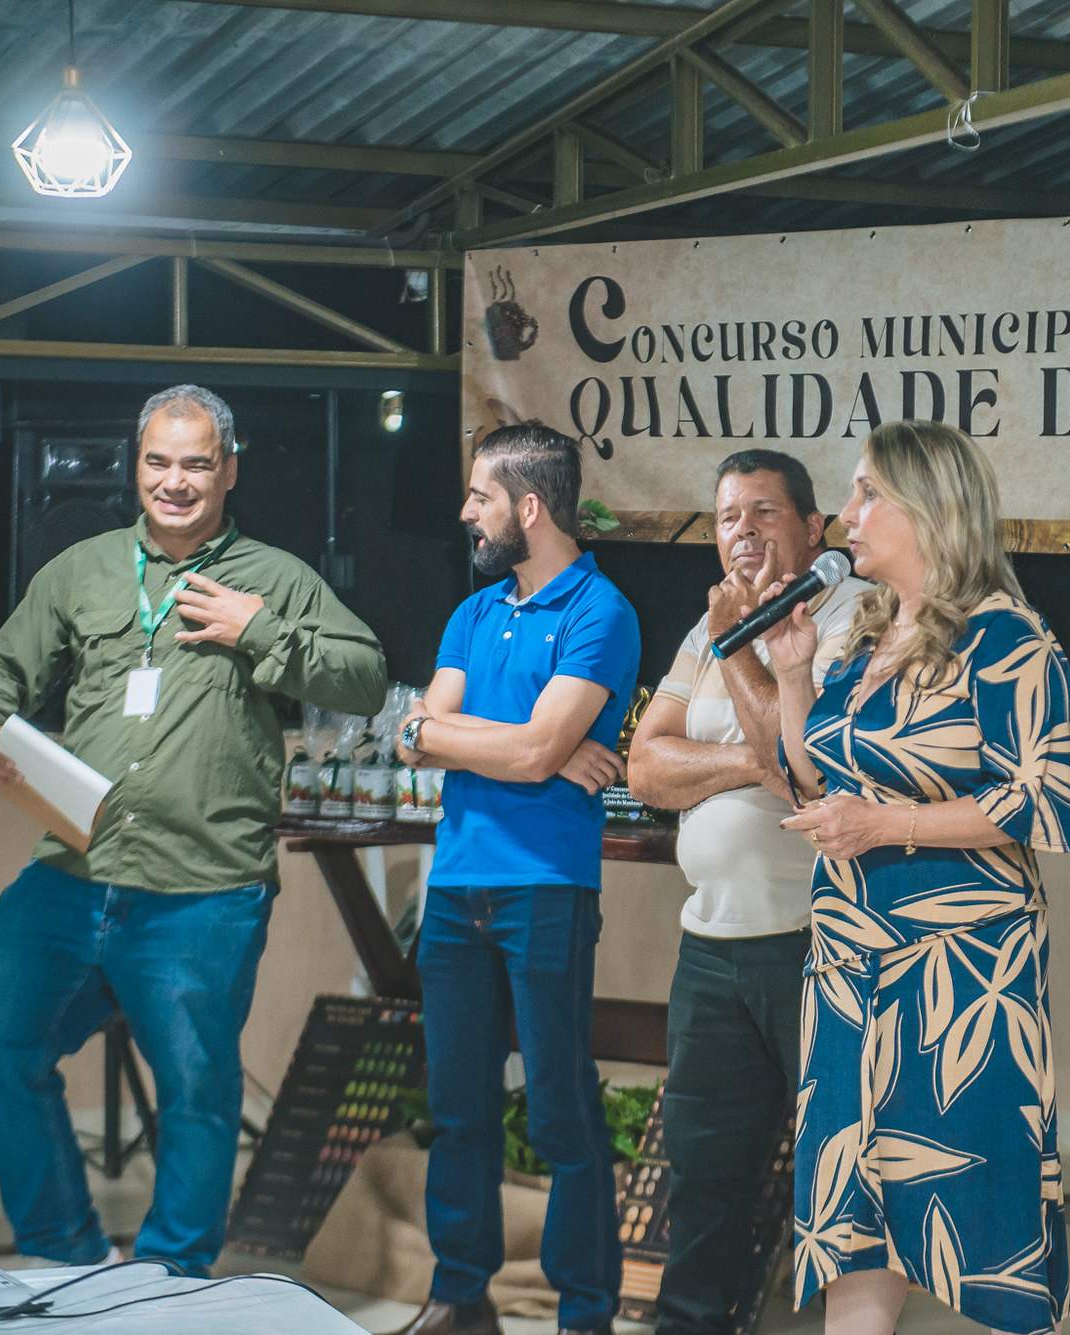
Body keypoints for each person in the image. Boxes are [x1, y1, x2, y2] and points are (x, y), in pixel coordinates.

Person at [0, 384, 387, 1277]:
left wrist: (261, 630)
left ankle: (170, 1282)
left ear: (229, 470)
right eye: (158, 462)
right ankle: (66, 1255)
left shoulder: (274, 576)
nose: (174, 481)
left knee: (195, 1088)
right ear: (137, 466)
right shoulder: (83, 569)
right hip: (77, 868)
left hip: (204, 889)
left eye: (195, 463)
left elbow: (365, 677)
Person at [765, 420, 1070, 1335]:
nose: (846, 515)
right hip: (848, 968)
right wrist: (792, 677)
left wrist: (885, 824)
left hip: (960, 974)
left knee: (980, 1207)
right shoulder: (865, 634)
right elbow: (817, 778)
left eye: (867, 493)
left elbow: (1034, 799)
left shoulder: (1008, 639)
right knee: (853, 1219)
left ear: (930, 506)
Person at [387, 422, 641, 1335]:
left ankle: (585, 1313)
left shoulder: (600, 611)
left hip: (546, 888)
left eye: (479, 496)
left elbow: (494, 743)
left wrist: (520, 746)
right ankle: (461, 1297)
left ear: (529, 507)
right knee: (458, 1109)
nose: (466, 512)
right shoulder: (473, 612)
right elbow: (414, 736)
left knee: (561, 1111)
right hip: (456, 887)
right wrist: (540, 746)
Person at [627, 449, 869, 1335]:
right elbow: (646, 767)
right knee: (702, 1175)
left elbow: (802, 762)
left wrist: (738, 646)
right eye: (729, 516)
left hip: (814, 943)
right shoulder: (708, 625)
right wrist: (742, 762)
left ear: (813, 527)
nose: (744, 532)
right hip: (712, 947)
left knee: (839, 1173)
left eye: (765, 512)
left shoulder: (848, 613)